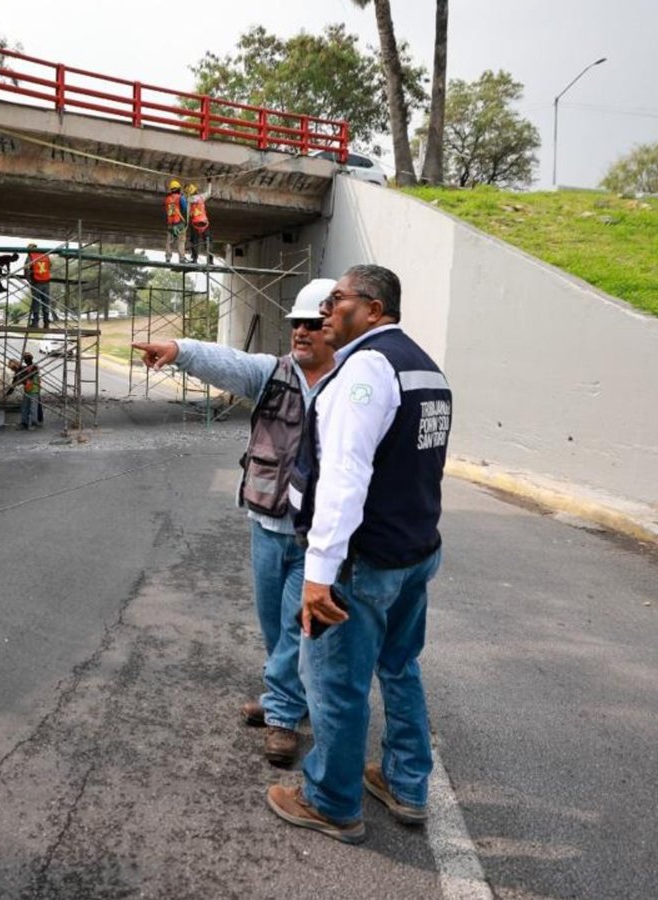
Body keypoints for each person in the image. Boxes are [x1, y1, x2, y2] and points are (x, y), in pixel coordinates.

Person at [265, 264, 453, 845]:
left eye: (337, 300)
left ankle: (331, 800)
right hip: (414, 552)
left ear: (373, 308)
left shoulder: (365, 371)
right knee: (399, 667)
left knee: (336, 683)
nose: (325, 311)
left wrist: (319, 576)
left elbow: (346, 480)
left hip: (365, 562)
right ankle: (405, 782)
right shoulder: (425, 366)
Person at [131, 278, 338, 768]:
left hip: (316, 538)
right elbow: (226, 361)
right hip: (266, 526)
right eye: (296, 324)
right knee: (274, 625)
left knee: (295, 628)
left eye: (313, 324)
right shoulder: (272, 375)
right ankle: (286, 695)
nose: (301, 332)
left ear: (336, 330)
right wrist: (178, 349)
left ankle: (283, 717)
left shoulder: (350, 385)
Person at [24, 244, 53, 328]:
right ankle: (46, 323)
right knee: (46, 303)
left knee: (36, 302)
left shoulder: (31, 257)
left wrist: (28, 279)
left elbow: (26, 269)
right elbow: (50, 266)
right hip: (46, 282)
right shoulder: (45, 256)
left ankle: (35, 323)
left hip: (36, 282)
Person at [11, 351, 41, 429]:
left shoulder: (34, 367)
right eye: (25, 359)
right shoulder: (23, 368)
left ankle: (34, 423)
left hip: (34, 390)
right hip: (27, 390)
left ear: (31, 359)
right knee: (24, 407)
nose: (26, 360)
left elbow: (29, 376)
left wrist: (20, 372)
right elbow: (15, 382)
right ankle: (24, 423)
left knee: (33, 408)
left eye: (27, 358)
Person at [185, 182, 213, 264]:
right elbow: (209, 193)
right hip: (204, 223)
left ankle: (195, 259)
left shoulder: (189, 199)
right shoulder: (202, 197)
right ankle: (210, 260)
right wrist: (209, 183)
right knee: (207, 241)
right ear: (195, 190)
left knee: (194, 242)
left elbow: (188, 213)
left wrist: (186, 224)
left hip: (195, 224)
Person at [163, 179, 189, 263]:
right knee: (181, 241)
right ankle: (181, 258)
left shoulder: (167, 199)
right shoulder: (180, 198)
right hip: (179, 223)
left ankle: (168, 257)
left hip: (170, 223)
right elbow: (185, 208)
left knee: (169, 242)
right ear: (178, 189)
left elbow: (167, 210)